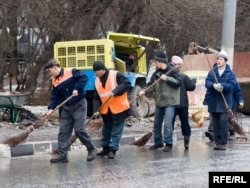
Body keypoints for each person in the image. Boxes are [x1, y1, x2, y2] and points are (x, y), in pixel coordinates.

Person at [44, 58, 97, 163]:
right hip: (67, 108)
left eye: (49, 70)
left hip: (79, 105)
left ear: (55, 68)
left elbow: (84, 77)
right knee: (63, 132)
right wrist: (51, 108)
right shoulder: (55, 81)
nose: (49, 73)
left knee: (79, 130)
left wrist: (77, 88)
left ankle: (92, 149)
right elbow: (55, 96)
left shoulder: (71, 71)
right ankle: (62, 156)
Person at [138, 52, 181, 152]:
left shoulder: (172, 70)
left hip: (170, 102)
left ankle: (168, 143)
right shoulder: (156, 73)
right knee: (156, 124)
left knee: (167, 124)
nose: (155, 64)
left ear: (161, 62)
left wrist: (167, 78)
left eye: (156, 62)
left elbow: (178, 83)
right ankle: (158, 142)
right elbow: (151, 85)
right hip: (159, 102)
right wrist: (144, 91)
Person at [92, 61, 131, 159]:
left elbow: (126, 84)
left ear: (102, 70)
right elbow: (96, 97)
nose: (95, 74)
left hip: (119, 108)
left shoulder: (115, 74)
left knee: (116, 130)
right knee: (106, 130)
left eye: (97, 71)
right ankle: (105, 148)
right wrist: (96, 110)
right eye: (95, 72)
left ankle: (113, 150)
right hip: (106, 110)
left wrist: (116, 91)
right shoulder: (97, 81)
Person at [205, 50, 237, 150]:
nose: (218, 61)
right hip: (214, 102)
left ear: (225, 61)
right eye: (218, 59)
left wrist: (222, 86)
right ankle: (217, 142)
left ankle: (223, 142)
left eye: (221, 59)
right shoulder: (212, 71)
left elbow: (232, 85)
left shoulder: (230, 73)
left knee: (223, 121)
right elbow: (207, 82)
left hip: (224, 102)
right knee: (215, 122)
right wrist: (213, 85)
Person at [171, 56, 196, 150]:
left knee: (170, 123)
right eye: (179, 65)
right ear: (176, 65)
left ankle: (168, 142)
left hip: (171, 103)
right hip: (182, 104)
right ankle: (186, 142)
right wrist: (193, 82)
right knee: (184, 122)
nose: (180, 67)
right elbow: (191, 87)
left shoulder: (167, 76)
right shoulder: (183, 77)